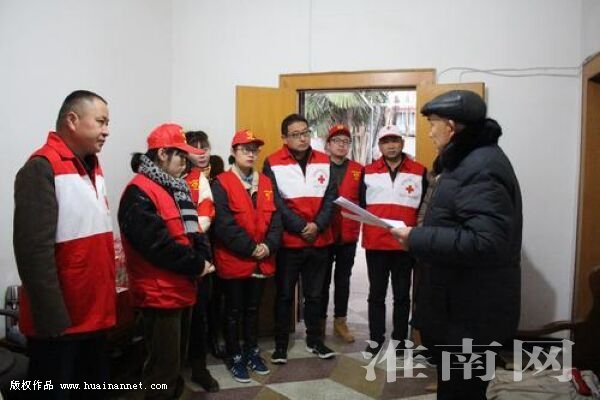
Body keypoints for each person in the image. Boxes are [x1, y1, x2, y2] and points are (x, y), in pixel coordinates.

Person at [391, 90, 522, 400]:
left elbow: (486, 242)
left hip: (472, 313)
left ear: (451, 126)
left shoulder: (481, 167)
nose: (429, 132)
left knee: (462, 391)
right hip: (459, 307)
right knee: (456, 388)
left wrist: (416, 237)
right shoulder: (467, 161)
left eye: (432, 123)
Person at [13, 90, 116, 400]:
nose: (107, 131)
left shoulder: (92, 166)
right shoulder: (41, 167)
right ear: (72, 120)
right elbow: (33, 253)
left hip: (93, 313)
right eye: (101, 121)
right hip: (61, 324)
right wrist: (52, 320)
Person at [118, 123, 214, 400]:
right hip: (159, 295)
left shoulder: (175, 186)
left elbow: (193, 232)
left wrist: (203, 258)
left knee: (174, 365)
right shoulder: (139, 192)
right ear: (161, 154)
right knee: (162, 371)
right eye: (180, 155)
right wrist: (197, 264)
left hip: (182, 289)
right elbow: (157, 246)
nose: (185, 160)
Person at [263, 113, 337, 363]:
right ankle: (281, 345)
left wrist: (317, 225)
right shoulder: (272, 162)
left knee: (315, 295)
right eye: (295, 135)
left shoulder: (325, 160)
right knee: (285, 295)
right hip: (289, 242)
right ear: (285, 138)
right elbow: (274, 201)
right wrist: (300, 226)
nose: (302, 138)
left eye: (305, 133)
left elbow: (331, 198)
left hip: (320, 240)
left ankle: (315, 341)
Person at [211, 129, 283, 382]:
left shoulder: (266, 182)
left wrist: (268, 245)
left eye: (254, 150)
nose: (251, 154)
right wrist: (251, 248)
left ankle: (252, 351)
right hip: (235, 259)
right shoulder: (221, 183)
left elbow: (276, 219)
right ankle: (234, 355)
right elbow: (223, 225)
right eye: (245, 149)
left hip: (262, 260)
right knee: (233, 311)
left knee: (253, 309)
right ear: (233, 152)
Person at [359, 124, 426, 356]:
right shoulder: (367, 171)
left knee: (402, 296)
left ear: (402, 143)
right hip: (376, 243)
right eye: (386, 141)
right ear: (379, 146)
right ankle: (375, 340)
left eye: (395, 140)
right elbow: (361, 204)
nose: (391, 145)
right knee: (376, 295)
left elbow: (424, 207)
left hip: (405, 243)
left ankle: (399, 341)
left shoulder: (419, 171)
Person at [182, 131, 220, 392]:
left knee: (200, 314)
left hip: (199, 251)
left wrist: (185, 233)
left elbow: (205, 214)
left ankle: (199, 367)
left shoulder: (200, 180)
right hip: (173, 253)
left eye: (203, 147)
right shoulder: (163, 179)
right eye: (193, 149)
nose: (200, 153)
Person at [319, 124, 362, 343]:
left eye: (346, 141)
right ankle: (319, 322)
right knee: (322, 280)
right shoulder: (319, 167)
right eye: (336, 141)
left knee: (343, 279)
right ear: (328, 145)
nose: (341, 145)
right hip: (324, 233)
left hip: (348, 234)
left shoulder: (358, 169)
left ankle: (340, 321)